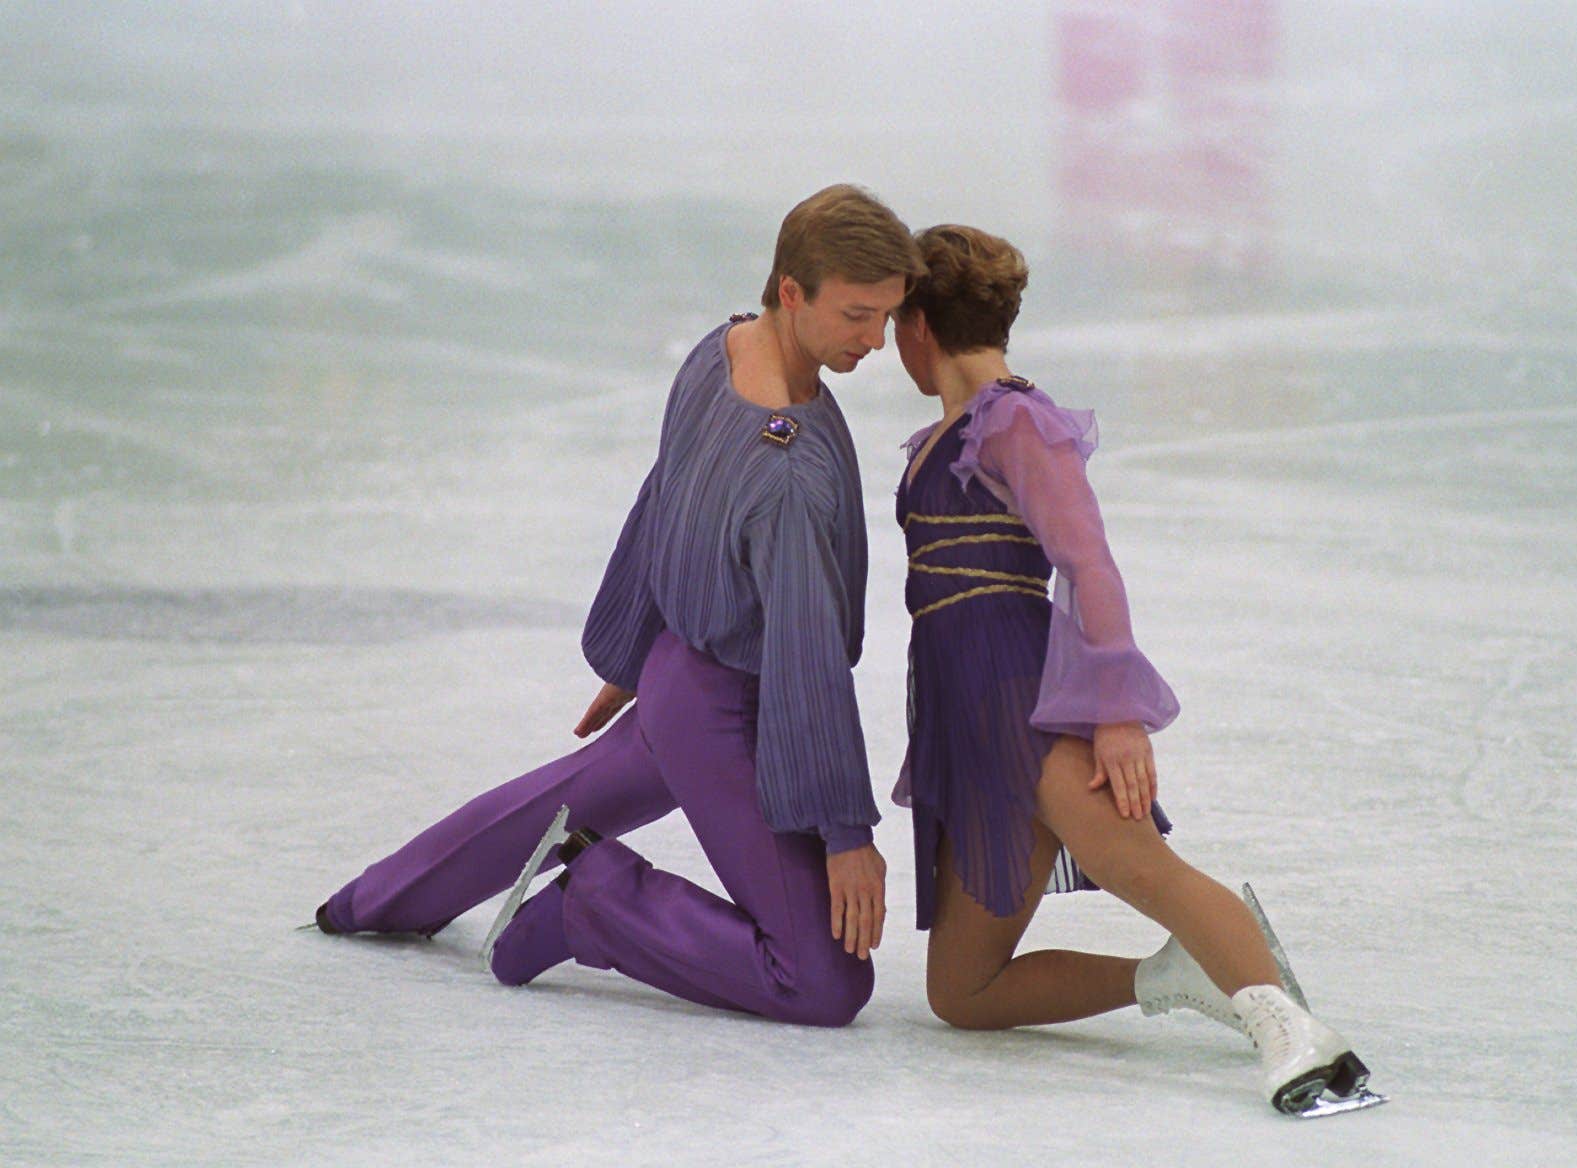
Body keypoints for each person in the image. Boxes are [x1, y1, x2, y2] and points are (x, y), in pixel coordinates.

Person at [313, 184, 924, 1028]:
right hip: (725, 711)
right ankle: (593, 901)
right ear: (792, 291)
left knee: (547, 803)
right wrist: (848, 833)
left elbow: (666, 496)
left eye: (888, 317)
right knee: (821, 982)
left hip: (682, 672)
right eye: (858, 316)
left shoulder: (721, 349)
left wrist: (643, 652)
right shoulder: (787, 471)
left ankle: (370, 902)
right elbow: (807, 664)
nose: (877, 342)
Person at [890, 224, 1373, 1111]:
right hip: (963, 716)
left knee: (1136, 866)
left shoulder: (1017, 420)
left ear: (919, 321)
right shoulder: (945, 432)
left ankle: (1301, 1043)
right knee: (961, 992)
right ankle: (1173, 978)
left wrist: (1114, 713)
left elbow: (1090, 564)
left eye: (894, 320)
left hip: (1020, 693)